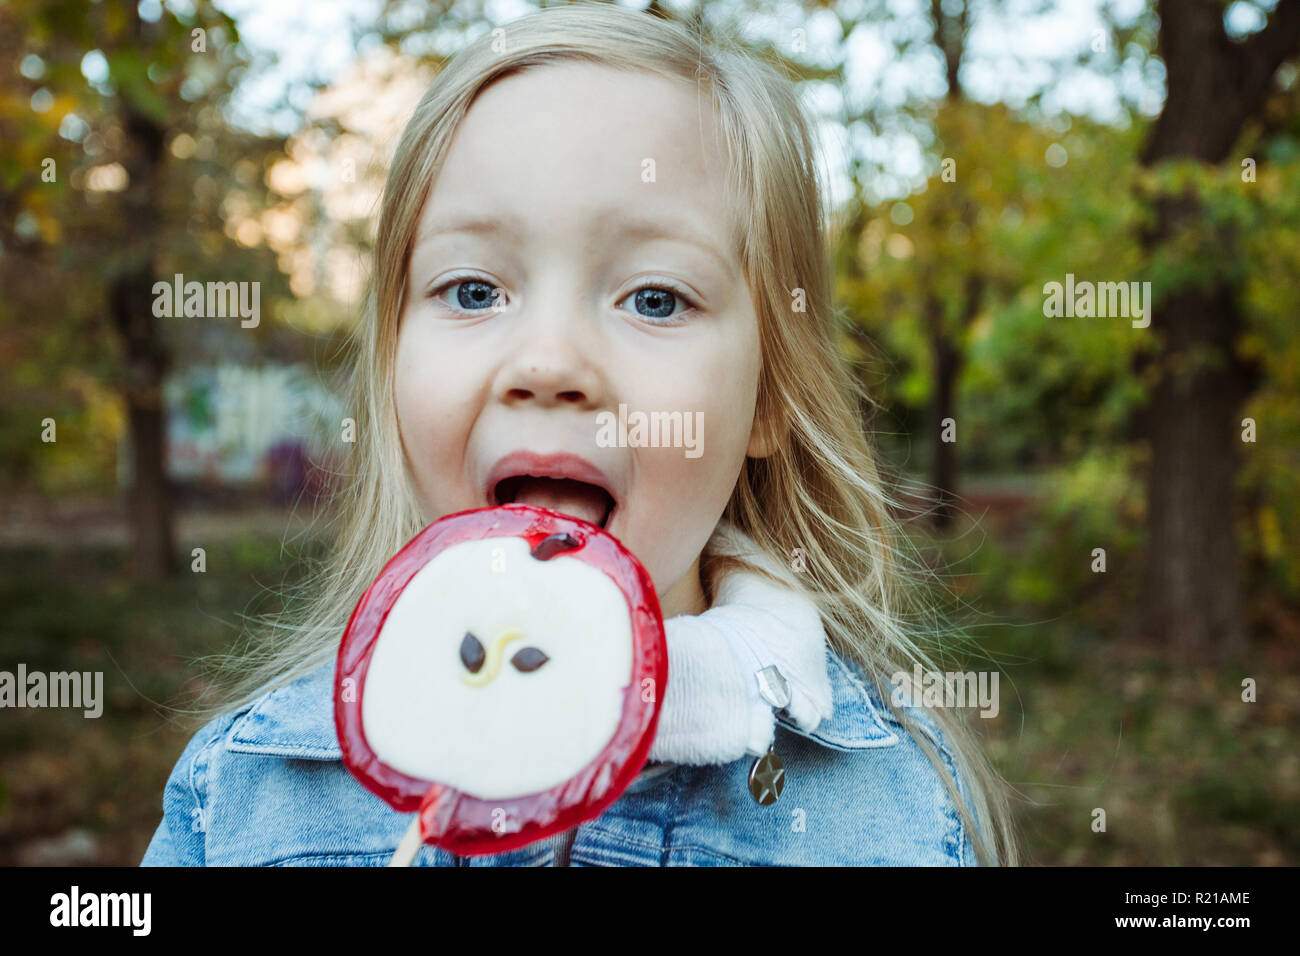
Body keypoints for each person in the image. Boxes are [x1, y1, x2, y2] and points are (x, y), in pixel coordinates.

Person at [141, 1, 1018, 867]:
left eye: (655, 298)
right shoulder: (246, 798)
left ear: (767, 399)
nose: (549, 361)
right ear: (393, 366)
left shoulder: (900, 814)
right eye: (475, 291)